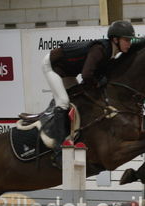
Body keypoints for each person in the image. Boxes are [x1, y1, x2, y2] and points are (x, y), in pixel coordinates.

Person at [42, 20, 135, 169]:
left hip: (68, 71)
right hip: (53, 66)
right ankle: (58, 151)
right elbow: (86, 75)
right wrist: (99, 82)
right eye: (126, 40)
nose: (129, 43)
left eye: (130, 40)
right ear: (115, 39)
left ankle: (74, 136)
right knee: (64, 101)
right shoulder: (100, 49)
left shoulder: (111, 55)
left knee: (79, 99)